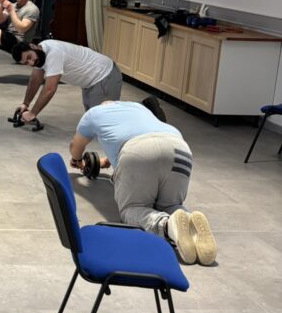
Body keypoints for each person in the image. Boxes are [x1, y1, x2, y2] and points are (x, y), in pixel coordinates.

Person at [68, 100, 217, 265]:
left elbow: (76, 146)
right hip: (179, 148)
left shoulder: (93, 113)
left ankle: (167, 225)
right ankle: (190, 223)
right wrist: (107, 161)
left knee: (132, 208)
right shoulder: (137, 107)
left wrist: (78, 160)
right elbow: (145, 138)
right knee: (171, 205)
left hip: (137, 152)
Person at [11, 39, 122, 123]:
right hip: (90, 83)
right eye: (26, 63)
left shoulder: (54, 53)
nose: (31, 63)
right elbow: (35, 79)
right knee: (93, 120)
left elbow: (49, 89)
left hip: (104, 75)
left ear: (33, 46)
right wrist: (25, 104)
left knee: (103, 121)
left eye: (29, 57)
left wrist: (32, 113)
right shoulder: (39, 54)